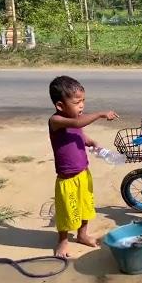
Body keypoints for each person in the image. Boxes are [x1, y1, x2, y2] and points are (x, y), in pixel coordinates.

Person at [48, 75, 118, 258]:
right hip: (67, 179)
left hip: (83, 173)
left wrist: (91, 142)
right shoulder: (56, 120)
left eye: (83, 101)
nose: (82, 106)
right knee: (66, 211)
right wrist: (101, 114)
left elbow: (79, 132)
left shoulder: (75, 117)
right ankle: (62, 242)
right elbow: (78, 123)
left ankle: (82, 234)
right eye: (77, 102)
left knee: (85, 206)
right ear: (60, 106)